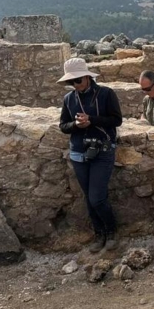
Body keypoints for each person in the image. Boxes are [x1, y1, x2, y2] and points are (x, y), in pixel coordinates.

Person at [58, 58, 123, 253]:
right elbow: (63, 126)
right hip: (79, 152)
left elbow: (116, 120)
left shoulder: (105, 94)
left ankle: (111, 231)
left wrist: (92, 121)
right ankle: (99, 233)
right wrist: (76, 125)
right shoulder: (69, 99)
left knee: (97, 198)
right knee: (88, 196)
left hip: (102, 150)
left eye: (78, 81)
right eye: (72, 82)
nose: (75, 85)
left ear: (87, 77)